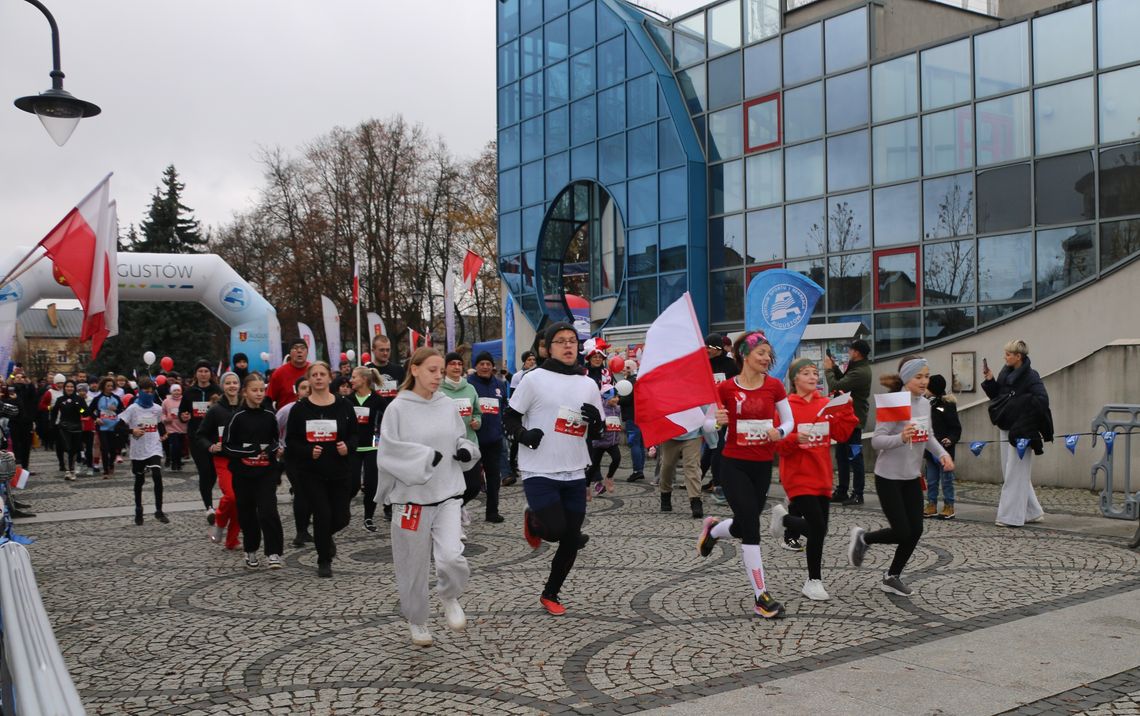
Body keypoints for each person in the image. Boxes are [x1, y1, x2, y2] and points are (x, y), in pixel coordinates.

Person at [377, 347, 479, 646]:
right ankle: (417, 620)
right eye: (432, 370)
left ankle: (449, 596)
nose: (438, 376)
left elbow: (460, 437)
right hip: (410, 500)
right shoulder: (397, 408)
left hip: (447, 494)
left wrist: (466, 450)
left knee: (452, 557)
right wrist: (424, 458)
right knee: (412, 566)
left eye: (441, 370)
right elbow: (388, 452)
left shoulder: (447, 405)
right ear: (415, 370)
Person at [504, 322, 605, 615]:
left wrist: (596, 422)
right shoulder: (534, 380)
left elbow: (595, 433)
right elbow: (509, 418)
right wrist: (524, 435)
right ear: (547, 347)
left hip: (575, 468)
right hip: (539, 469)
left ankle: (551, 593)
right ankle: (534, 520)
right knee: (556, 530)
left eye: (572, 340)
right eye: (560, 341)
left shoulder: (588, 383)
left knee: (571, 538)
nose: (568, 345)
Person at [695, 331, 790, 618]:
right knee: (750, 526)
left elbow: (789, 420)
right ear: (744, 355)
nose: (766, 358)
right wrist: (716, 422)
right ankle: (761, 596)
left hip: (761, 465)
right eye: (761, 353)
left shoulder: (774, 386)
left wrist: (780, 431)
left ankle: (713, 530)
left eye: (768, 354)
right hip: (733, 463)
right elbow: (707, 423)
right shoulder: (725, 389)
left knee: (744, 522)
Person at [848, 356, 953, 596]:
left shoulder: (925, 404)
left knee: (915, 530)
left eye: (926, 376)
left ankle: (891, 576)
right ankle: (864, 538)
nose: (924, 381)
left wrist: (942, 455)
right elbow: (877, 441)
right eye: (918, 376)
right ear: (906, 378)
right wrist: (901, 438)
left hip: (911, 477)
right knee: (902, 530)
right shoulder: (894, 403)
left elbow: (928, 436)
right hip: (888, 477)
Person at [769, 359, 858, 601]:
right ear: (795, 378)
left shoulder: (825, 404)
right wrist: (795, 438)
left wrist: (847, 409)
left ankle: (785, 519)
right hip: (797, 475)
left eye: (815, 373)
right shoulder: (786, 406)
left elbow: (841, 434)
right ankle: (814, 580)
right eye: (806, 373)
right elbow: (777, 442)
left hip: (822, 475)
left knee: (821, 530)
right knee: (818, 527)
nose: (813, 377)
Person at [285, 361, 357, 577]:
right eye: (314, 374)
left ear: (329, 377)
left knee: (342, 517)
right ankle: (324, 560)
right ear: (309, 379)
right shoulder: (300, 409)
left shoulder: (344, 405)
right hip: (311, 471)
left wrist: (348, 447)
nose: (318, 378)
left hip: (339, 470)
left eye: (322, 374)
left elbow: (355, 434)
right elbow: (292, 441)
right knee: (322, 514)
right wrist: (308, 451)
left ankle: (323, 537)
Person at [982, 339, 1051, 528]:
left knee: (1015, 472)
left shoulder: (1031, 376)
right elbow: (999, 397)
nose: (1005, 357)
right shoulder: (1006, 373)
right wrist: (990, 381)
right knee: (1011, 472)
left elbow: (1042, 400)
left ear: (1018, 356)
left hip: (1023, 430)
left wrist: (1019, 404)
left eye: (1008, 354)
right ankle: (1033, 512)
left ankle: (1009, 517)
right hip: (1006, 426)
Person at [222, 373, 285, 569]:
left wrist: (274, 450)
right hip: (243, 475)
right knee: (247, 514)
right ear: (245, 392)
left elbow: (275, 440)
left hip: (265, 473)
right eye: (254, 390)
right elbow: (227, 447)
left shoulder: (269, 416)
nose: (259, 394)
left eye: (262, 390)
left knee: (268, 511)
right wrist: (250, 450)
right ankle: (251, 549)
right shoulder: (237, 418)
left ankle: (274, 553)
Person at [198, 372, 243, 549]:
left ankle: (232, 540)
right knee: (231, 497)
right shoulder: (215, 410)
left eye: (235, 382)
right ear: (223, 386)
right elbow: (200, 435)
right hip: (223, 460)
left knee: (241, 500)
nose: (232, 386)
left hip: (242, 460)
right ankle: (219, 521)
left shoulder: (245, 406)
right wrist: (210, 446)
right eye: (228, 383)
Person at [825, 339, 872, 505]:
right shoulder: (857, 368)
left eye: (850, 350)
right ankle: (842, 491)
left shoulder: (861, 372)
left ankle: (858, 493)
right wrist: (835, 368)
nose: (848, 352)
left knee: (854, 457)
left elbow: (836, 385)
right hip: (845, 420)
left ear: (857, 352)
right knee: (842, 456)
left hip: (853, 421)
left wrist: (828, 370)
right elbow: (845, 381)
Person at [117, 378, 169, 525]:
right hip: (138, 450)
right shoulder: (133, 409)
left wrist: (164, 433)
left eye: (151, 392)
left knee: (157, 475)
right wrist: (132, 430)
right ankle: (138, 509)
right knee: (139, 480)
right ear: (140, 392)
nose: (149, 394)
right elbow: (118, 428)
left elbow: (159, 424)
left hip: (154, 447)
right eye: (146, 392)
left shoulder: (157, 408)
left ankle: (159, 510)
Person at [439, 352, 483, 530]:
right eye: (452, 364)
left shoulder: (470, 388)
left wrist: (477, 422)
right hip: (448, 447)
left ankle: (459, 506)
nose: (457, 367)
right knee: (451, 486)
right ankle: (453, 521)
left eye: (459, 364)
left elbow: (478, 413)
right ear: (445, 367)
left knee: (473, 485)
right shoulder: (439, 390)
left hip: (470, 443)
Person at [180, 361, 222, 519]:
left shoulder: (217, 390)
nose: (203, 374)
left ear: (210, 374)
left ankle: (207, 494)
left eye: (206, 371)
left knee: (213, 473)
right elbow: (182, 412)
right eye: (200, 371)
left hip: (213, 437)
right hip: (196, 437)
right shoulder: (189, 392)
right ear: (196, 374)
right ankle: (209, 507)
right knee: (204, 470)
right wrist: (183, 416)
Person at [469, 351, 507, 523]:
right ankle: (457, 511)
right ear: (476, 366)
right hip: (473, 440)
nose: (485, 367)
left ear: (493, 366)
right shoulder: (468, 384)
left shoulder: (499, 384)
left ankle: (492, 511)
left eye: (488, 364)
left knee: (493, 479)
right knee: (472, 482)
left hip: (494, 439)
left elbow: (504, 407)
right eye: (481, 363)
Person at [276, 376, 313, 547]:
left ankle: (306, 529)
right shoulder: (287, 410)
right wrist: (279, 446)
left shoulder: (318, 408)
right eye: (303, 387)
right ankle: (301, 532)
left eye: (309, 387)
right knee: (300, 492)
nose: (307, 390)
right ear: (297, 391)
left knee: (311, 493)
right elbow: (274, 428)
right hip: (292, 455)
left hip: (314, 455)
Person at [699, 334, 738, 496]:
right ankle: (705, 479)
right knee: (713, 446)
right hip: (708, 411)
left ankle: (716, 482)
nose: (707, 350)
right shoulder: (703, 364)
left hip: (725, 411)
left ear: (718, 348)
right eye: (705, 347)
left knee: (716, 446)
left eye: (710, 347)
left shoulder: (731, 365)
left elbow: (736, 384)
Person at [348, 365, 384, 532]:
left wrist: (377, 443)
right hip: (353, 449)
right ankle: (342, 510)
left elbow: (384, 424)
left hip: (371, 447)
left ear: (364, 379)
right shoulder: (348, 400)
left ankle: (368, 517)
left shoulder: (378, 400)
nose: (351, 380)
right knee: (352, 484)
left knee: (372, 485)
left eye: (354, 377)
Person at [924, 374, 961, 520]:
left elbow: (956, 428)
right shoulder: (925, 404)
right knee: (931, 480)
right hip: (929, 450)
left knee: (946, 480)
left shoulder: (946, 405)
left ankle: (949, 506)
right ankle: (931, 504)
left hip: (945, 450)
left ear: (933, 389)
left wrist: (951, 439)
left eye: (927, 386)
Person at [505, 350, 539, 486]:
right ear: (524, 361)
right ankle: (512, 464)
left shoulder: (538, 375)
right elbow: (513, 394)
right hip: (521, 409)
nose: (532, 362)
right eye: (529, 360)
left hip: (533, 410)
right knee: (517, 438)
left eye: (533, 360)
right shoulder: (518, 376)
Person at [588, 383, 622, 499]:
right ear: (606, 397)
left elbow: (617, 423)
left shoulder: (617, 409)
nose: (616, 399)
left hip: (612, 442)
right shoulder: (600, 409)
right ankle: (586, 487)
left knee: (617, 459)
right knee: (593, 467)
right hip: (600, 442)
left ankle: (609, 477)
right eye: (613, 397)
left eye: (617, 396)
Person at [50, 380, 86, 481]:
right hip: (64, 426)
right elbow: (54, 412)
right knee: (66, 448)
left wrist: (80, 409)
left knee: (74, 449)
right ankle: (67, 470)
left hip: (76, 426)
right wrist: (52, 424)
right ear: (64, 388)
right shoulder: (60, 399)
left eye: (71, 387)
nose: (69, 388)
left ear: (74, 388)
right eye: (67, 387)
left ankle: (72, 469)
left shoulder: (79, 399)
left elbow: (85, 411)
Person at [91, 377, 124, 478]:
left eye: (111, 386)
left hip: (114, 427)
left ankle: (111, 464)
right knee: (104, 448)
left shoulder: (116, 398)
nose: (110, 388)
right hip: (102, 428)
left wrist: (117, 409)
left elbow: (123, 410)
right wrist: (96, 418)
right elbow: (86, 410)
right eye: (108, 386)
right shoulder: (97, 398)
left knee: (113, 449)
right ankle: (105, 471)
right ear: (103, 387)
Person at [267, 340, 311, 409]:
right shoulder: (279, 373)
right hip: (285, 416)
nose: (299, 351)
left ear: (307, 352)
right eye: (295, 348)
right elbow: (268, 399)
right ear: (289, 353)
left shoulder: (315, 371)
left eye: (302, 348)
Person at [161, 384, 186, 472]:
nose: (176, 392)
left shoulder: (185, 400)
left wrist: (186, 416)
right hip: (171, 426)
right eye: (174, 390)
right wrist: (165, 419)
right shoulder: (166, 401)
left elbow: (188, 411)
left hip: (182, 426)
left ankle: (178, 462)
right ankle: (174, 463)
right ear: (171, 391)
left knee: (180, 446)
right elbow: (163, 413)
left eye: (178, 390)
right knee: (175, 445)